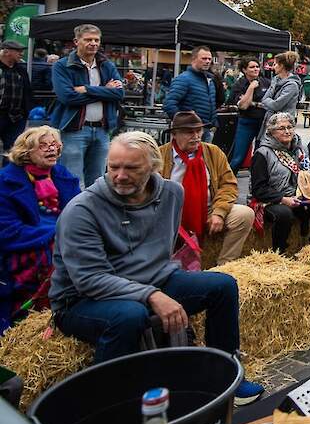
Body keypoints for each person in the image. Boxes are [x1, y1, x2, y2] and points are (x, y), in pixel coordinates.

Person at [48, 131, 264, 405]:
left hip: (152, 280)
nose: (120, 175)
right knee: (129, 316)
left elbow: (162, 252)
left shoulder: (172, 193)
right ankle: (107, 404)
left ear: (153, 167)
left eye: (132, 168)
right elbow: (89, 280)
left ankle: (226, 377)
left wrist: (157, 287)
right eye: (114, 167)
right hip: (84, 300)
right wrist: (151, 295)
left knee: (222, 285)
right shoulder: (82, 210)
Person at [0, 126, 79, 332]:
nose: (51, 149)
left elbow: (82, 215)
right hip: (25, 248)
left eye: (54, 144)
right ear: (26, 151)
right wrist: (57, 233)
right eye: (43, 145)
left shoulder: (63, 176)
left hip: (62, 241)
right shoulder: (6, 182)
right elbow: (8, 232)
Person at [159, 112, 254, 266]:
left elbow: (228, 185)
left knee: (244, 214)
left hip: (209, 210)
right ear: (174, 134)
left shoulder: (213, 152)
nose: (196, 136)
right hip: (172, 215)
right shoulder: (160, 155)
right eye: (190, 132)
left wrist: (219, 212)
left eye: (199, 131)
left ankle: (225, 266)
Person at [49, 25, 124, 187]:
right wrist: (105, 90)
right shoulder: (62, 66)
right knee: (72, 180)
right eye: (88, 39)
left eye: (96, 40)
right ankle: (73, 212)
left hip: (102, 130)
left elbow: (119, 94)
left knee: (97, 182)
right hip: (73, 130)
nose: (93, 43)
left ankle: (92, 212)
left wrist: (87, 89)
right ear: (76, 41)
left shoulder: (107, 65)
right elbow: (67, 97)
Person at [251, 113, 310, 251]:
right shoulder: (263, 153)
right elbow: (259, 189)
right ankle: (279, 251)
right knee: (284, 214)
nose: (287, 131)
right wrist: (283, 199)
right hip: (274, 199)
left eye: (290, 127)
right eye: (282, 128)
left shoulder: (300, 150)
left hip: (302, 197)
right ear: (271, 132)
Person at [164, 46, 218, 142]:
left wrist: (214, 123)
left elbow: (212, 104)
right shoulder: (184, 79)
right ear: (193, 59)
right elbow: (169, 104)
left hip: (206, 129)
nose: (208, 61)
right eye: (204, 58)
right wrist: (185, 124)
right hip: (190, 131)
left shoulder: (209, 80)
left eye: (209, 59)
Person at [227, 58, 270, 173]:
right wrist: (251, 88)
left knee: (260, 157)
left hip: (264, 123)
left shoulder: (266, 82)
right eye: (252, 67)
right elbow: (244, 106)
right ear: (244, 69)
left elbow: (270, 103)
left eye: (257, 66)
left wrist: (253, 103)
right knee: (238, 158)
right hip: (246, 122)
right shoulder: (239, 84)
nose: (256, 69)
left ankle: (256, 186)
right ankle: (227, 184)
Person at [0, 40, 32, 161]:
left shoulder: (21, 70)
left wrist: (26, 112)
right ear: (6, 52)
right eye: (18, 51)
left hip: (16, 117)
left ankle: (7, 178)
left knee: (13, 150)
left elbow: (27, 91)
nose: (21, 54)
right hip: (2, 114)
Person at [259, 51, 302, 136]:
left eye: (275, 64)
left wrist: (267, 101)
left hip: (283, 126)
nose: (273, 67)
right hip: (270, 123)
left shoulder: (292, 85)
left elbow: (276, 105)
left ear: (281, 66)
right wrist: (268, 101)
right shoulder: (275, 80)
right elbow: (264, 99)